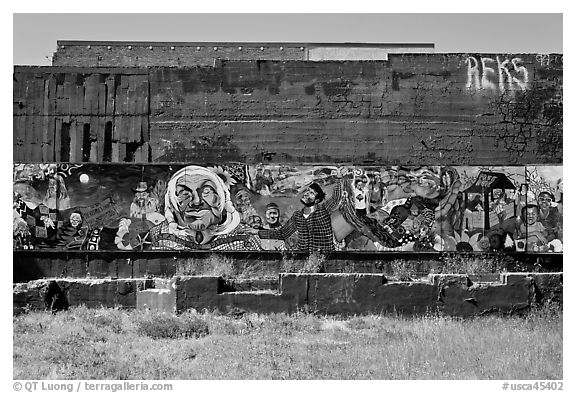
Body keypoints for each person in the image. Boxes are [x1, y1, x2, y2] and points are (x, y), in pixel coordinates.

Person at [242, 174, 345, 253]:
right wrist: (257, 232)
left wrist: (340, 178)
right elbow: (282, 233)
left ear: (317, 200)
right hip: (305, 260)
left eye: (312, 193)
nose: (307, 194)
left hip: (324, 256)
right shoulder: (297, 216)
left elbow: (336, 199)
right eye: (307, 191)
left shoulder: (323, 210)